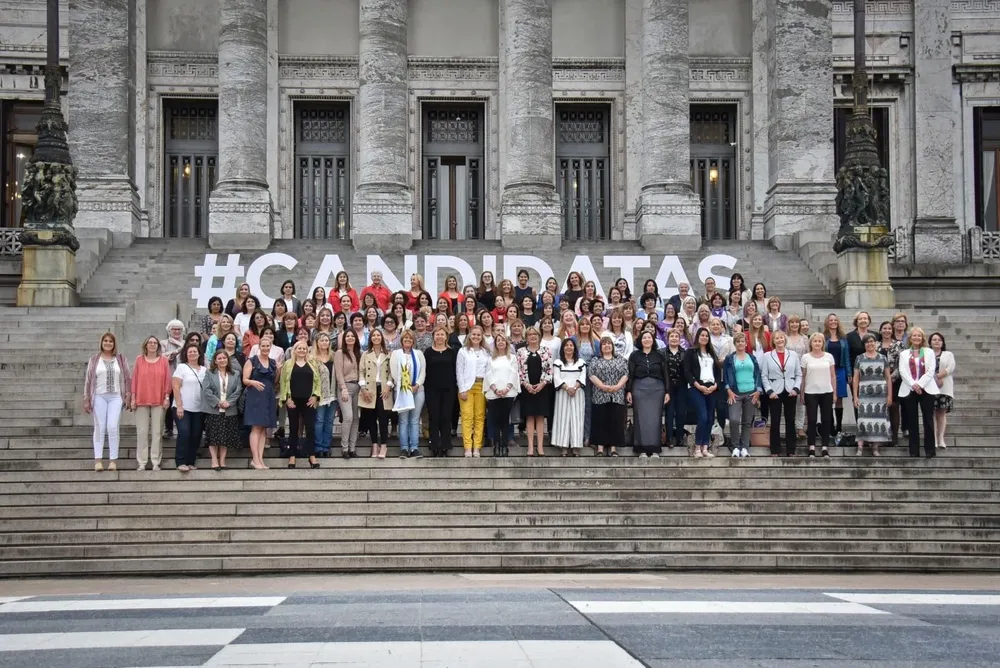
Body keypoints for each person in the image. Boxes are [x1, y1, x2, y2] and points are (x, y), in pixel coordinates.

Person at [84, 332, 132, 472]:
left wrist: (128, 396)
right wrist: (86, 398)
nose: (108, 343)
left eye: (111, 341)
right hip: (99, 396)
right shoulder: (94, 360)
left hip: (116, 397)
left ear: (114, 343)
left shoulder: (121, 359)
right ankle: (98, 460)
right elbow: (88, 380)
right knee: (99, 428)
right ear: (102, 342)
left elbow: (127, 378)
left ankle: (113, 461)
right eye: (105, 341)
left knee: (112, 427)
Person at [131, 335, 171, 471]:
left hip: (159, 400)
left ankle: (155, 461)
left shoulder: (164, 361)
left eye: (155, 343)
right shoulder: (139, 360)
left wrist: (167, 397)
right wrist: (132, 398)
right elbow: (134, 380)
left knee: (157, 432)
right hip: (141, 400)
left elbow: (167, 380)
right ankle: (142, 462)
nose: (153, 345)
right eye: (150, 342)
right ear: (146, 345)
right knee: (141, 432)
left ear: (158, 346)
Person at [279, 340, 321, 468]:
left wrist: (315, 396)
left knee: (310, 428)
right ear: (294, 350)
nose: (302, 350)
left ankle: (311, 455)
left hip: (308, 401)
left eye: (304, 349)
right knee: (293, 428)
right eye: (299, 348)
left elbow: (318, 381)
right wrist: (287, 398)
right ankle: (292, 455)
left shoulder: (312, 363)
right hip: (293, 401)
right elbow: (283, 382)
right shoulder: (288, 364)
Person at [628, 331, 670, 458]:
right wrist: (628, 391)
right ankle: (641, 449)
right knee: (640, 418)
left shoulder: (660, 355)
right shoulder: (634, 356)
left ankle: (655, 449)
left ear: (653, 340)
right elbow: (630, 373)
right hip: (639, 388)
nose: (647, 340)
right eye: (644, 338)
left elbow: (665, 374)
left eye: (649, 337)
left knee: (655, 419)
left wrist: (667, 391)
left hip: (657, 389)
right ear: (640, 340)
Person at [899, 327, 939, 459]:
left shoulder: (929, 352)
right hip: (910, 389)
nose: (917, 338)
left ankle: (930, 450)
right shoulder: (904, 354)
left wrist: (920, 384)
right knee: (912, 421)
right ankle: (914, 451)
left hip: (926, 388)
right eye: (914, 336)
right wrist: (914, 385)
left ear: (923, 338)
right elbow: (903, 371)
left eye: (919, 336)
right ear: (910, 338)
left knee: (928, 420)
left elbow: (930, 370)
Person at [761, 330, 802, 457]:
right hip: (775, 392)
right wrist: (769, 391)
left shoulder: (793, 355)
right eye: (777, 338)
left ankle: (791, 450)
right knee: (775, 421)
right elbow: (764, 375)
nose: (779, 340)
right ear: (773, 341)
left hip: (790, 391)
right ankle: (775, 450)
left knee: (790, 420)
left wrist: (796, 388)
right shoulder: (767, 356)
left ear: (785, 339)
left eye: (781, 338)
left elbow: (798, 374)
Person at [852, 333, 892, 457]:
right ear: (864, 344)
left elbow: (888, 377)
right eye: (867, 342)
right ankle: (860, 447)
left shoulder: (883, 358)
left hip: (880, 394)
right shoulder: (859, 358)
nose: (870, 344)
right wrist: (855, 396)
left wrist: (889, 395)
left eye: (872, 341)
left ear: (876, 343)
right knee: (863, 420)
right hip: (864, 393)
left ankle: (875, 447)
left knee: (878, 421)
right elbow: (855, 378)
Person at [683, 328, 721, 458]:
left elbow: (717, 372)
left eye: (706, 336)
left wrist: (715, 385)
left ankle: (706, 447)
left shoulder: (712, 353)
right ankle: (697, 448)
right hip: (696, 387)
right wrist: (698, 385)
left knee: (710, 418)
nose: (704, 337)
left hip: (712, 388)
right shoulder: (691, 352)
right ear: (697, 337)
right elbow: (687, 371)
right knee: (703, 417)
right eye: (702, 335)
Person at [202, 349, 242, 471]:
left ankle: (222, 461)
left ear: (227, 360)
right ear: (215, 360)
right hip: (214, 409)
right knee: (213, 436)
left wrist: (229, 402)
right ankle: (214, 460)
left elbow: (238, 390)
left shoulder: (235, 373)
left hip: (229, 409)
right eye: (219, 358)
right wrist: (218, 402)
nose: (222, 360)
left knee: (225, 437)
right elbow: (206, 390)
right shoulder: (210, 373)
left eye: (224, 358)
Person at [588, 337, 627, 457]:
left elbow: (626, 374)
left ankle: (613, 447)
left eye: (609, 343)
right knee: (600, 421)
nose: (607, 346)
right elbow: (591, 374)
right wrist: (603, 386)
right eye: (604, 344)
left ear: (612, 346)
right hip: (600, 395)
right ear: (600, 348)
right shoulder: (596, 360)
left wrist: (618, 386)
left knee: (615, 421)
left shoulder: (620, 359)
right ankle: (600, 448)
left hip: (617, 394)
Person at [243, 337, 278, 470]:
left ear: (270, 347)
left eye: (267, 346)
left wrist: (279, 371)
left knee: (263, 428)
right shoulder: (252, 361)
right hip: (255, 396)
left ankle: (260, 459)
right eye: (263, 346)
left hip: (268, 396)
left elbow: (275, 381)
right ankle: (255, 459)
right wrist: (253, 382)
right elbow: (245, 379)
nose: (265, 348)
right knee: (256, 427)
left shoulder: (273, 362)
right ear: (259, 347)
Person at [517, 327, 553, 457]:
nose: (533, 336)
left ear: (539, 336)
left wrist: (542, 384)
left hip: (542, 389)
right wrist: (526, 385)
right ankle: (531, 447)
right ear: (526, 337)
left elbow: (549, 370)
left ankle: (540, 447)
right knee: (530, 417)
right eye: (530, 335)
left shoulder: (545, 351)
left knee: (540, 417)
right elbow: (519, 370)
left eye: (535, 334)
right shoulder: (520, 352)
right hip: (527, 389)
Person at [390, 330, 426, 458]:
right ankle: (404, 448)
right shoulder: (396, 354)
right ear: (401, 340)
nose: (408, 340)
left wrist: (417, 384)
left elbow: (423, 371)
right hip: (402, 390)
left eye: (410, 338)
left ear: (413, 341)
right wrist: (406, 386)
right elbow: (394, 371)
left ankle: (414, 447)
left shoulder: (419, 354)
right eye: (405, 338)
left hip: (417, 390)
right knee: (404, 420)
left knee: (415, 420)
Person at [172, 343, 206, 472]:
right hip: (183, 408)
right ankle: (180, 461)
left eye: (195, 351)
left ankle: (191, 461)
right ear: (186, 354)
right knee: (184, 432)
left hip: (199, 408)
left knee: (196, 435)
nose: (192, 353)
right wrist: (179, 405)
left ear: (199, 354)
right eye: (189, 351)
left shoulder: (204, 369)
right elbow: (175, 386)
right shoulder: (182, 367)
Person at [424, 326, 458, 457]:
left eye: (442, 334)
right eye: (437, 334)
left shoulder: (452, 352)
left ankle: (445, 444)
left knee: (445, 416)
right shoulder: (428, 352)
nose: (439, 337)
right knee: (434, 416)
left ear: (446, 337)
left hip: (448, 389)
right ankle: (434, 443)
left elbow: (456, 371)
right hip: (432, 389)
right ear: (433, 336)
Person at [456, 325, 490, 457]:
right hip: (467, 387)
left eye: (478, 335)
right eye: (473, 334)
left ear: (482, 337)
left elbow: (489, 371)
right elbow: (459, 371)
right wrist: (462, 389)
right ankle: (467, 447)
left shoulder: (485, 352)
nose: (476, 337)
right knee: (467, 417)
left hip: (481, 386)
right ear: (469, 336)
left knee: (480, 417)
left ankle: (477, 447)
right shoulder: (463, 351)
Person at [801, 332, 836, 458]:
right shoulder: (805, 357)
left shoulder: (829, 357)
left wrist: (835, 393)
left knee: (826, 420)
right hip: (810, 392)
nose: (817, 343)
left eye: (819, 341)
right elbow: (803, 377)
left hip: (826, 391)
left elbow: (833, 376)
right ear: (811, 343)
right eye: (815, 341)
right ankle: (811, 446)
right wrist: (801, 393)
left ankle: (825, 447)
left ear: (823, 343)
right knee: (811, 420)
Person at [485, 333, 520, 457]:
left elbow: (514, 373)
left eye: (503, 340)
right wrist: (495, 389)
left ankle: (504, 446)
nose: (500, 342)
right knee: (495, 420)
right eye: (498, 340)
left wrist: (507, 389)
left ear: (506, 343)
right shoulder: (491, 359)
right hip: (494, 393)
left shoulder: (512, 358)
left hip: (508, 393)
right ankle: (496, 446)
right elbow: (488, 374)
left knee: (505, 420)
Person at [359, 329, 392, 459]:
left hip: (384, 389)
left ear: (382, 338)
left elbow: (392, 372)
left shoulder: (389, 354)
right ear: (370, 338)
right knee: (371, 418)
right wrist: (363, 388)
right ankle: (374, 445)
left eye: (378, 335)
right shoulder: (365, 354)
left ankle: (383, 444)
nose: (376, 337)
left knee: (383, 418)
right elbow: (360, 372)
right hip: (369, 389)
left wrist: (389, 386)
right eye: (374, 335)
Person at [551, 337, 587, 456]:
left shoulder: (581, 362)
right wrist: (567, 388)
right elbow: (556, 377)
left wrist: (575, 388)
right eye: (566, 345)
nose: (569, 347)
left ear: (575, 348)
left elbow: (582, 376)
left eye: (571, 345)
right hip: (563, 393)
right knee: (563, 418)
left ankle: (576, 446)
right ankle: (563, 446)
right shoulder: (558, 362)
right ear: (563, 348)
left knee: (577, 418)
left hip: (577, 392)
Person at [334, 329, 362, 458]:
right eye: (348, 336)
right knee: (348, 417)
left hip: (358, 387)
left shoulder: (359, 353)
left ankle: (352, 448)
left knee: (356, 418)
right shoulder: (340, 353)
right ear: (344, 339)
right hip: (345, 387)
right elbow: (338, 372)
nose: (350, 338)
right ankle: (344, 448)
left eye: (352, 336)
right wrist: (343, 388)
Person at [823, 313, 852, 435]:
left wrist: (849, 372)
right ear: (827, 322)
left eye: (835, 320)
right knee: (828, 398)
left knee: (838, 399)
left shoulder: (843, 338)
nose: (833, 322)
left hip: (840, 370)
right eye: (831, 320)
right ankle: (830, 426)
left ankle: (839, 426)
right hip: (826, 371)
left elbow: (846, 357)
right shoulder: (824, 337)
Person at [311, 332, 338, 457]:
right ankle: (318, 447)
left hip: (333, 394)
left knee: (329, 420)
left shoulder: (334, 356)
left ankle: (326, 447)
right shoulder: (312, 358)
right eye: (322, 340)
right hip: (319, 395)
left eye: (326, 340)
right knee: (319, 420)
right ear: (317, 342)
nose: (324, 343)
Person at [785, 315, 809, 439]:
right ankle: (789, 427)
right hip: (787, 373)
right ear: (788, 324)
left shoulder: (805, 339)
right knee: (789, 402)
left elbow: (808, 355)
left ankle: (799, 427)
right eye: (791, 322)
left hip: (801, 371)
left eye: (796, 322)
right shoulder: (784, 338)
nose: (794, 324)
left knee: (801, 400)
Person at [161, 319, 186, 439]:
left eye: (179, 329)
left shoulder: (186, 343)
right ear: (169, 330)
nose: (177, 331)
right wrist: (177, 350)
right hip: (169, 376)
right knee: (170, 402)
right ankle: (169, 428)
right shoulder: (163, 343)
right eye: (174, 329)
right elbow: (162, 358)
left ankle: (183, 428)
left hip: (184, 378)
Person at [662, 328, 687, 450]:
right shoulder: (662, 353)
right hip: (668, 387)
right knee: (669, 413)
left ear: (680, 339)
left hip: (681, 386)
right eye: (672, 336)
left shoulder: (684, 353)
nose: (674, 338)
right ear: (668, 338)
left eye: (676, 336)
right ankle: (669, 438)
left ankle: (680, 437)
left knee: (681, 412)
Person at [929, 332, 954, 451]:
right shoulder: (927, 354)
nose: (937, 341)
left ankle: (941, 438)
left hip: (944, 387)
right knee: (932, 413)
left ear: (943, 342)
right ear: (930, 342)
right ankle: (932, 438)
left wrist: (938, 376)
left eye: (939, 339)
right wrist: (934, 379)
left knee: (941, 413)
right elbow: (924, 368)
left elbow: (950, 367)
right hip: (930, 387)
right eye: (934, 339)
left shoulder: (948, 354)